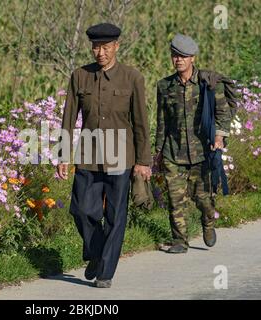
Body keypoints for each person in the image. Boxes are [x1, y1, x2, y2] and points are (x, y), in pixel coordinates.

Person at [57, 23, 152, 288]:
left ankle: (105, 272)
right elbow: (68, 118)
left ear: (116, 47)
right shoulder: (80, 76)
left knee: (115, 216)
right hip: (88, 155)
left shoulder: (132, 78)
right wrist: (63, 154)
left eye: (106, 47)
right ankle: (97, 253)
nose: (100, 53)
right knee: (81, 210)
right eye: (96, 47)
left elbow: (141, 122)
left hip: (121, 156)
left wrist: (143, 161)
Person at [155, 33, 232, 254]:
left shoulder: (207, 84)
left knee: (203, 199)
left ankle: (208, 223)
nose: (178, 60)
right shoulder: (164, 86)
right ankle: (180, 241)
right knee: (175, 200)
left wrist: (219, 137)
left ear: (192, 58)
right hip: (173, 151)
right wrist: (158, 151)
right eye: (175, 56)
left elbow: (222, 113)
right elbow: (162, 121)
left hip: (202, 153)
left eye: (183, 56)